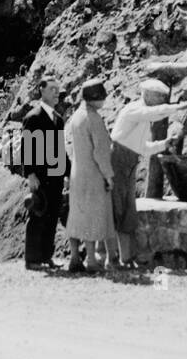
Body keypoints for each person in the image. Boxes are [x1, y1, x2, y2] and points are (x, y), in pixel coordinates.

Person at [108, 79, 187, 268]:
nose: (160, 101)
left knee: (127, 209)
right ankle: (110, 258)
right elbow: (155, 113)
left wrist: (164, 144)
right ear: (147, 95)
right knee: (115, 208)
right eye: (158, 97)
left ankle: (126, 257)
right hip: (118, 160)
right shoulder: (135, 110)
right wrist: (180, 107)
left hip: (130, 161)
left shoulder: (143, 117)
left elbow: (143, 148)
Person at [63, 78, 117, 272]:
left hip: (78, 172)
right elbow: (100, 152)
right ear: (96, 98)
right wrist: (108, 176)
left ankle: (75, 257)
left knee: (77, 216)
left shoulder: (76, 116)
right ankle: (92, 262)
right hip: (93, 174)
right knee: (93, 217)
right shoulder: (93, 118)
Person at [18, 77, 69, 270]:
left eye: (58, 89)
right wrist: (30, 174)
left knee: (52, 216)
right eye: (52, 89)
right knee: (38, 215)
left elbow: (60, 149)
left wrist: (67, 173)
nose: (57, 93)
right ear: (42, 90)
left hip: (55, 176)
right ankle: (32, 259)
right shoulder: (33, 117)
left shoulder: (58, 118)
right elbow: (26, 147)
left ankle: (47, 256)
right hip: (40, 176)